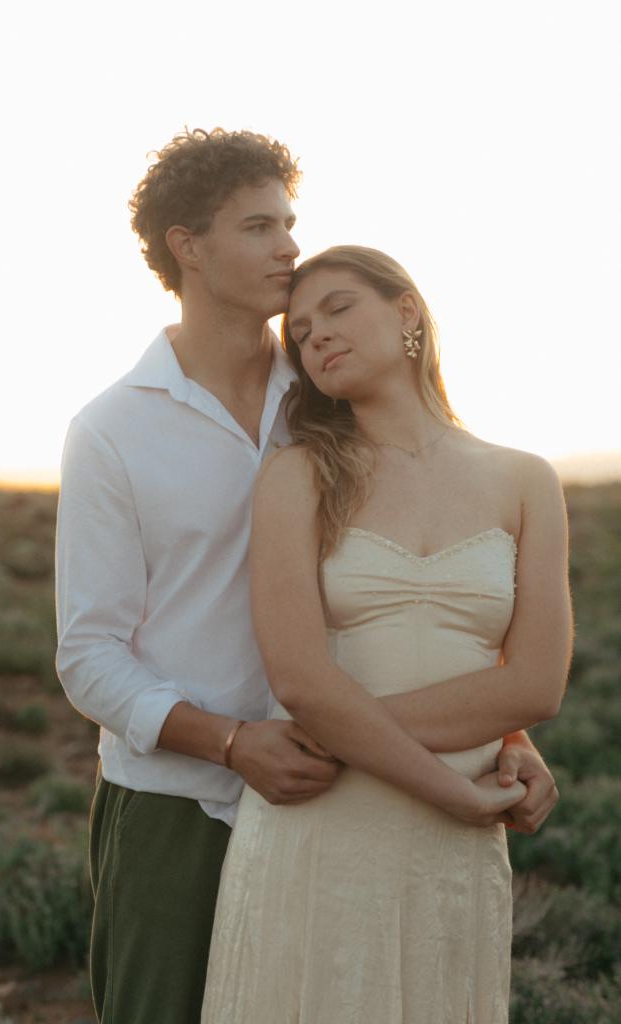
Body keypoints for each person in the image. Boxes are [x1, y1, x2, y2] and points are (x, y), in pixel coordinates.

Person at [55, 130, 560, 1024]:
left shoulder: (325, 400)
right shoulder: (113, 429)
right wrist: (231, 741)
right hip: (179, 800)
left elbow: (424, 607)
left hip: (350, 789)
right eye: (259, 227)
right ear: (189, 247)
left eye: (291, 224)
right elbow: (88, 654)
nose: (288, 246)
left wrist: (500, 733)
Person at [201, 246, 572, 1023]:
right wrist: (451, 792)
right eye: (300, 332)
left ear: (406, 311)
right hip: (327, 822)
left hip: (450, 846)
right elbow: (299, 678)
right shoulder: (298, 474)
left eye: (337, 309)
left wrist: (336, 731)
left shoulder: (523, 479)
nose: (317, 338)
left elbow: (534, 683)